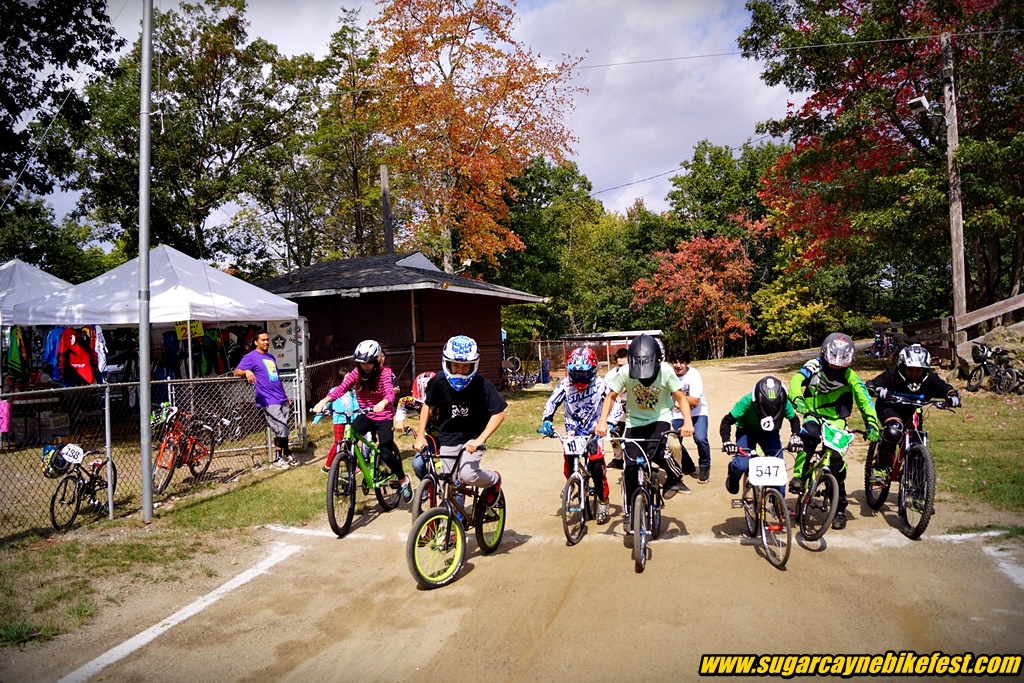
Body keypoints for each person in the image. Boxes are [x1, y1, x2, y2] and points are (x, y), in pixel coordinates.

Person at [597, 334, 695, 531]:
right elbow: (611, 396)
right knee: (630, 468)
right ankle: (630, 511)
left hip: (660, 418)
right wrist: (602, 421)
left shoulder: (666, 371)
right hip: (635, 422)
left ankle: (675, 477)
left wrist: (687, 422)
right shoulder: (625, 372)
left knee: (658, 451)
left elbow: (680, 397)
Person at [789, 332, 880, 530]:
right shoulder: (814, 366)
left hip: (837, 421)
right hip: (813, 414)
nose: (836, 368)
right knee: (809, 438)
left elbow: (864, 399)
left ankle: (839, 509)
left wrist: (872, 424)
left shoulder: (851, 376)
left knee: (837, 464)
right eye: (832, 364)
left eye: (841, 365)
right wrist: (797, 399)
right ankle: (800, 475)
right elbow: (796, 381)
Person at [313, 340, 413, 502]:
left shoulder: (385, 373)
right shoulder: (355, 373)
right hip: (365, 415)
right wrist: (324, 401)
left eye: (368, 363)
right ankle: (351, 470)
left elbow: (390, 392)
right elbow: (341, 388)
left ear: (375, 361)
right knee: (348, 438)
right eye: (361, 363)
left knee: (386, 454)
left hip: (383, 416)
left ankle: (403, 479)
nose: (365, 366)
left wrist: (383, 403)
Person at [413, 335, 506, 505]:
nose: (460, 371)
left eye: (465, 367)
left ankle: (494, 480)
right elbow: (428, 405)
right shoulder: (439, 380)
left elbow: (499, 413)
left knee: (468, 475)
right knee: (446, 484)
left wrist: (480, 440)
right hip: (448, 437)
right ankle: (455, 523)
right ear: (447, 362)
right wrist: (420, 436)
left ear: (473, 365)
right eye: (455, 365)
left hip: (472, 438)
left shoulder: (481, 384)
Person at [539, 347, 623, 524]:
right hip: (572, 431)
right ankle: (573, 481)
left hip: (595, 431)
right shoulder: (565, 384)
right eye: (575, 373)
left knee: (597, 468)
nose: (579, 378)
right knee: (569, 465)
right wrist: (547, 419)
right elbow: (552, 401)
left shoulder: (600, 385)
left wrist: (609, 423)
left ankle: (603, 500)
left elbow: (615, 406)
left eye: (583, 374)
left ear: (592, 371)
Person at [865, 344, 960, 483]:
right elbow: (870, 385)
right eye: (910, 369)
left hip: (913, 412)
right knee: (893, 430)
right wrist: (880, 390)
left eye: (919, 370)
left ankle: (920, 487)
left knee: (918, 443)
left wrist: (952, 397)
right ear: (902, 367)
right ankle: (879, 469)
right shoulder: (893, 375)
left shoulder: (930, 380)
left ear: (925, 369)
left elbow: (945, 389)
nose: (914, 373)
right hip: (890, 409)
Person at [721, 376, 802, 498]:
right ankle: (733, 474)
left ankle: (779, 504)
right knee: (742, 464)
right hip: (746, 431)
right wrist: (727, 441)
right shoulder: (747, 401)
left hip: (770, 432)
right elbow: (727, 421)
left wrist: (795, 436)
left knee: (778, 465)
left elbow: (794, 419)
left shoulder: (784, 402)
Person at [234, 330, 297, 468]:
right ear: (256, 342)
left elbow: (277, 378)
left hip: (280, 397)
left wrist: (285, 394)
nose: (266, 342)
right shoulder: (250, 356)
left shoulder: (270, 357)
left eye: (267, 339)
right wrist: (247, 371)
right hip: (268, 399)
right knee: (281, 427)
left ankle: (286, 452)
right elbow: (236, 371)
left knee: (283, 427)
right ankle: (278, 459)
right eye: (263, 340)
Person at [668, 346, 711, 483]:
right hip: (677, 415)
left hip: (697, 412)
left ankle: (704, 465)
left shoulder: (693, 375)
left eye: (681, 362)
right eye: (675, 362)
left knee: (700, 438)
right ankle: (688, 465)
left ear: (687, 363)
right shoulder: (669, 375)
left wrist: (678, 401)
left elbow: (695, 401)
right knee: (672, 442)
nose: (678, 365)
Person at [319, 385, 359, 474]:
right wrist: (317, 418)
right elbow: (327, 404)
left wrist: (357, 415)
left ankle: (351, 466)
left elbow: (356, 404)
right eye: (346, 377)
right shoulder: (334, 390)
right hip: (339, 421)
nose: (349, 379)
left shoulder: (352, 391)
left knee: (351, 443)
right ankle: (327, 466)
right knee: (338, 442)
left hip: (350, 420)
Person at [605, 347, 630, 470]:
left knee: (633, 437)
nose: (622, 369)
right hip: (617, 411)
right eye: (620, 366)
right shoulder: (610, 375)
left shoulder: (636, 374)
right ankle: (618, 458)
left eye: (625, 365)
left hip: (632, 409)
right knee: (614, 434)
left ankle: (638, 460)